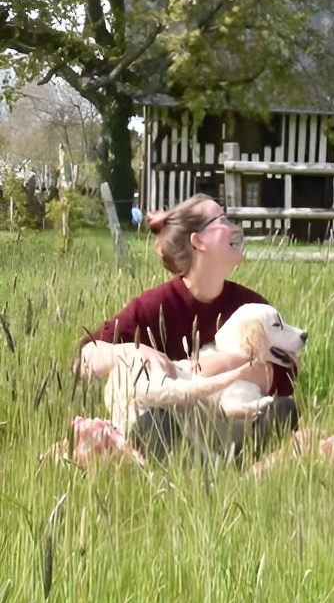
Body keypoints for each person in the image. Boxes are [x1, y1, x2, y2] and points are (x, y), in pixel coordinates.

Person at [76, 194, 298, 459]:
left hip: (230, 426)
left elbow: (285, 375)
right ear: (198, 241)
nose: (235, 228)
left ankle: (239, 471)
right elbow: (84, 359)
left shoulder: (250, 306)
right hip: (171, 431)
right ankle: (180, 472)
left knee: (284, 410)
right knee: (154, 422)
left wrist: (219, 365)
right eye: (223, 220)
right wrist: (129, 351)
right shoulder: (155, 305)